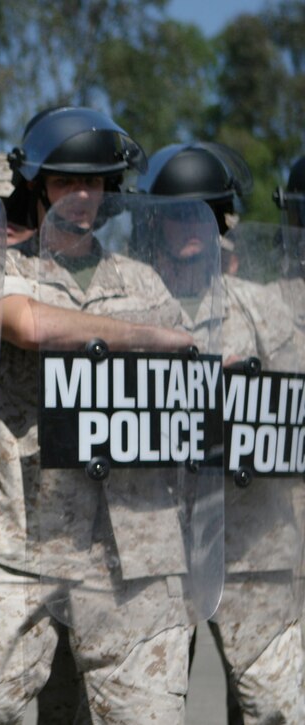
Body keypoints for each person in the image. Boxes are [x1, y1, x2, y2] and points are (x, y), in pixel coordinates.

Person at [0, 106, 204, 723]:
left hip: (135, 547)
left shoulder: (144, 280)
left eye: (93, 182)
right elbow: (23, 323)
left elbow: (188, 371)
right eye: (67, 181)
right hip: (21, 538)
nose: (81, 195)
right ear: (38, 184)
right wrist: (144, 336)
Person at [139, 141, 305, 724]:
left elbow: (297, 412)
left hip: (250, 543)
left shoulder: (263, 308)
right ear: (152, 219)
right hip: (148, 547)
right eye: (178, 213)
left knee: (278, 709)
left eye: (203, 213)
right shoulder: (126, 304)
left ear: (223, 220)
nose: (191, 226)